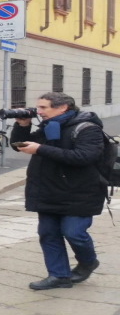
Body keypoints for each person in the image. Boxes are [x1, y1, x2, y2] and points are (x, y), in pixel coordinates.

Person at [10, 92, 104, 290]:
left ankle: (88, 262)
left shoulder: (87, 128)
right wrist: (23, 125)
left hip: (80, 191)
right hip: (48, 189)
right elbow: (19, 146)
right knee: (48, 234)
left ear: (63, 108)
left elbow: (84, 157)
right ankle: (59, 275)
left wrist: (41, 149)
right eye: (39, 107)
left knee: (74, 233)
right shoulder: (48, 127)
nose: (39, 111)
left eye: (44, 107)